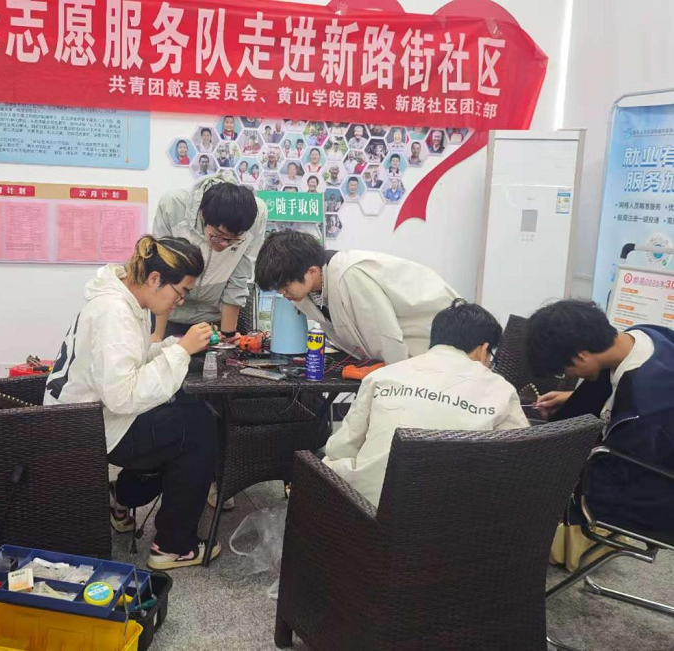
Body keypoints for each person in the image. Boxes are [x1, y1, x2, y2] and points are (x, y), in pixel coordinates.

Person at [44, 235, 220, 569]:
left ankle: (122, 496)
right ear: (155, 279)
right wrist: (181, 352)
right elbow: (123, 396)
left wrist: (175, 346)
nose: (180, 301)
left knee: (188, 410)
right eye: (181, 291)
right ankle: (173, 546)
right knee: (197, 430)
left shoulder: (122, 300)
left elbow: (131, 361)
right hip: (87, 427)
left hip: (88, 414)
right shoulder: (115, 313)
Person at [322, 299, 529, 507]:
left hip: (370, 511)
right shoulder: (501, 390)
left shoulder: (382, 376)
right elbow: (524, 458)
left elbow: (340, 448)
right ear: (483, 349)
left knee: (330, 463)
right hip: (460, 514)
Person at [525, 300, 674, 532]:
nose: (568, 376)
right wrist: (571, 397)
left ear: (581, 355)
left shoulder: (644, 407)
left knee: (538, 488)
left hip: (656, 489)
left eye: (565, 370)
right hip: (648, 448)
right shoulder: (645, 334)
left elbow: (620, 473)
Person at [254, 230, 460, 364]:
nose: (282, 293)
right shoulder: (309, 290)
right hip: (410, 355)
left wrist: (392, 383)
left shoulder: (350, 276)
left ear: (311, 272)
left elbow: (387, 337)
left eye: (285, 286)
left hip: (442, 338)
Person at [153, 170, 267, 341]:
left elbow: (238, 278)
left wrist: (228, 337)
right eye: (218, 235)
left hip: (215, 319)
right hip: (169, 312)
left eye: (233, 240)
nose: (224, 245)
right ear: (202, 213)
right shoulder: (173, 206)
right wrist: (157, 335)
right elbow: (163, 274)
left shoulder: (257, 216)